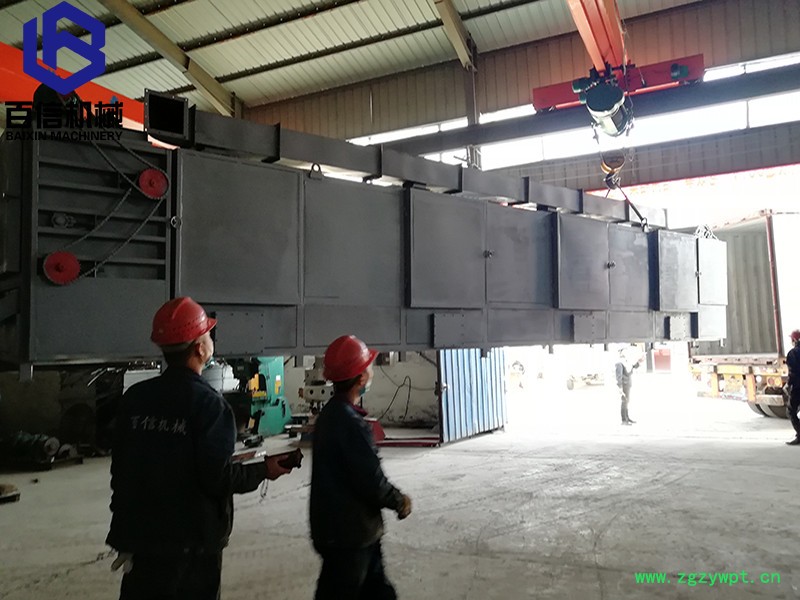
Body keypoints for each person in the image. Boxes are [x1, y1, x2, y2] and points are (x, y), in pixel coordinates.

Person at [106, 297, 295, 599]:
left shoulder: (135, 399)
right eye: (207, 334)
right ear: (199, 348)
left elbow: (122, 469)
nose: (211, 340)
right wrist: (263, 470)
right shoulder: (210, 406)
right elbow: (217, 478)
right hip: (191, 546)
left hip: (141, 540)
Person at [310, 335, 412, 600]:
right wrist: (398, 501)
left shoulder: (329, 416)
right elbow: (371, 480)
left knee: (378, 591)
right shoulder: (351, 424)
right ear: (361, 378)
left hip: (335, 530)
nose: (371, 371)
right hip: (351, 536)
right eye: (368, 366)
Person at [616, 346, 641, 425]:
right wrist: (620, 387)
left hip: (628, 384)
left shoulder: (626, 361)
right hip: (624, 385)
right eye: (624, 351)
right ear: (621, 352)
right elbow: (619, 376)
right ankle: (624, 420)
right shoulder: (619, 363)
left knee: (627, 401)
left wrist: (639, 361)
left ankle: (627, 417)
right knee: (624, 401)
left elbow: (633, 367)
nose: (626, 352)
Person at [785, 330, 800, 445]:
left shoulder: (793, 353)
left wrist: (788, 384)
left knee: (791, 411)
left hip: (797, 387)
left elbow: (793, 372)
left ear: (794, 340)